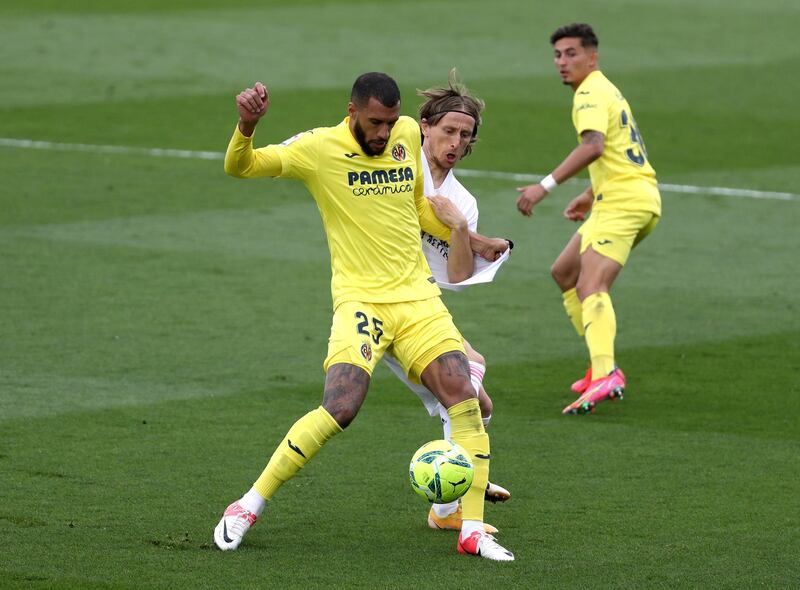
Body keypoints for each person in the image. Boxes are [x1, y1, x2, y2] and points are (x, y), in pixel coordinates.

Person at [213, 72, 514, 561]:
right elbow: (240, 167)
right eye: (376, 122)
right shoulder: (316, 148)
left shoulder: (403, 138)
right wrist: (247, 126)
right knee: (341, 408)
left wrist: (472, 238)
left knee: (467, 398)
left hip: (418, 300)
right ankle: (247, 505)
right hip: (361, 302)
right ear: (352, 111)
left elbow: (415, 202)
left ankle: (471, 528)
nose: (384, 133)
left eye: (391, 122)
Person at [382, 72, 511, 535]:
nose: (456, 142)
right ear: (424, 127)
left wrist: (461, 229)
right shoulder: (396, 162)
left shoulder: (462, 201)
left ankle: (448, 498)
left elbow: (457, 277)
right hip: (381, 301)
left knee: (481, 403)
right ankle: (458, 482)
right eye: (448, 131)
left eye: (465, 136)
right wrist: (481, 240)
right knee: (470, 380)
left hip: (424, 307)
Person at [515, 23, 662, 415]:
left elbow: (594, 146)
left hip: (624, 202)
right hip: (622, 196)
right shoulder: (605, 89)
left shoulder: (590, 93)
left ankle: (606, 373)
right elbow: (619, 150)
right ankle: (600, 363)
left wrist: (543, 186)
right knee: (564, 272)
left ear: (592, 57)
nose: (562, 62)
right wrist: (587, 195)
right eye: (558, 55)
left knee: (591, 284)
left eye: (571, 54)